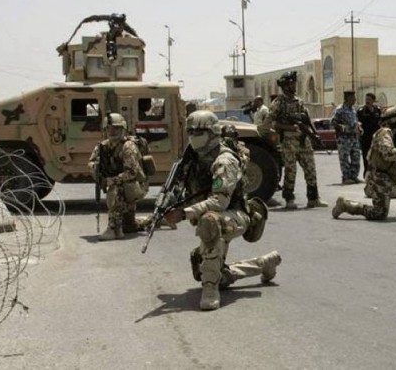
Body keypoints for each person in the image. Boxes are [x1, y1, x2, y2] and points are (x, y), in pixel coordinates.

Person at [163, 110, 281, 311]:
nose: (193, 136)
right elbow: (181, 188)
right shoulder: (194, 158)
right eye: (190, 131)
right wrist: (167, 204)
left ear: (212, 133)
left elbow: (219, 202)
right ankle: (263, 263)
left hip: (236, 215)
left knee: (210, 222)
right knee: (208, 272)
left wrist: (183, 214)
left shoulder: (224, 160)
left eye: (199, 132)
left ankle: (210, 290)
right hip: (214, 215)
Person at [332, 106, 396, 221]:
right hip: (378, 176)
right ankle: (346, 205)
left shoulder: (395, 135)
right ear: (393, 120)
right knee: (379, 213)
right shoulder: (384, 133)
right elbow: (389, 154)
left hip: (389, 173)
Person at [88, 113, 153, 240]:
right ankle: (154, 220)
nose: (112, 131)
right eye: (109, 128)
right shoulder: (102, 146)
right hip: (125, 185)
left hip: (137, 186)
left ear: (123, 129)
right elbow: (91, 162)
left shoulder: (128, 147)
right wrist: (96, 170)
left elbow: (132, 173)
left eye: (116, 128)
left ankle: (113, 229)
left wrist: (110, 180)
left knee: (114, 189)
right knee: (129, 226)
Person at [269, 71, 328, 209]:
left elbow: (307, 120)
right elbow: (271, 123)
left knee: (310, 169)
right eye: (292, 83)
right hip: (288, 142)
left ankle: (313, 198)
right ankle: (289, 199)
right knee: (291, 170)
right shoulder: (278, 102)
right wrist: (289, 127)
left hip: (303, 140)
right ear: (285, 85)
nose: (294, 86)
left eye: (295, 83)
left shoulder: (299, 101)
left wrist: (314, 134)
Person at [331, 90, 362, 184]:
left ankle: (354, 176)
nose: (355, 100)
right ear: (348, 98)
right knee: (344, 158)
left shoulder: (353, 110)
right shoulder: (340, 109)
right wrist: (342, 127)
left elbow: (355, 121)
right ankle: (346, 177)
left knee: (356, 157)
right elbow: (333, 122)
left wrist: (359, 128)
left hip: (354, 137)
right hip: (344, 138)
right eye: (353, 98)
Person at [356, 92, 382, 176]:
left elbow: (381, 122)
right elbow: (358, 122)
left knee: (377, 156)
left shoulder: (378, 110)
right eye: (366, 99)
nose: (367, 101)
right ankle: (367, 173)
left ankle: (376, 173)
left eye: (369, 99)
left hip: (376, 138)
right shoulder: (361, 111)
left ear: (373, 100)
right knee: (366, 156)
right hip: (366, 138)